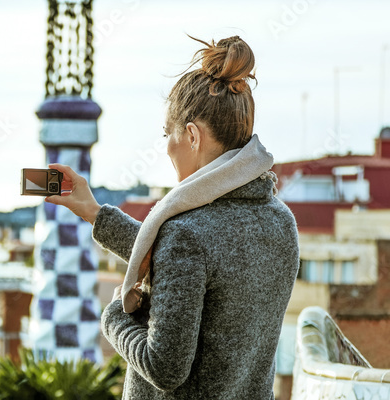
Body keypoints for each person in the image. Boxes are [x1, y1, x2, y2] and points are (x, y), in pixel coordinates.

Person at [45, 35, 299, 399]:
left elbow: (163, 368)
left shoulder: (190, 235)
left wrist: (114, 317)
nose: (166, 147)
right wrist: (94, 212)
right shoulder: (279, 220)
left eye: (168, 133)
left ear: (192, 136)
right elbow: (196, 259)